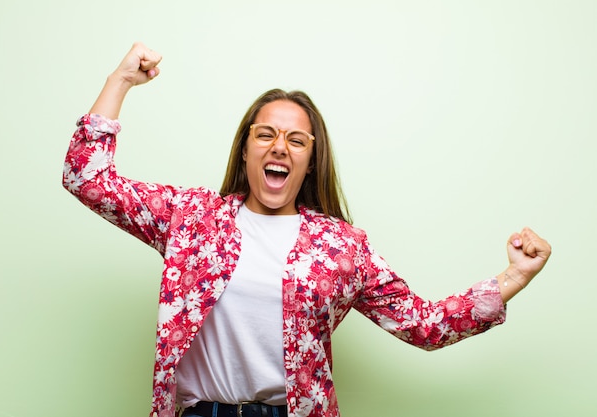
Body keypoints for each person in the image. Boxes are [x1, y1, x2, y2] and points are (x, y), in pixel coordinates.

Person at [63, 43, 551, 417]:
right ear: (247, 148)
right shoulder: (190, 218)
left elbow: (421, 324)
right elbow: (86, 177)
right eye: (266, 134)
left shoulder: (341, 246)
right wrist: (121, 78)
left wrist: (513, 278)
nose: (280, 146)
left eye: (296, 140)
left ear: (310, 159)